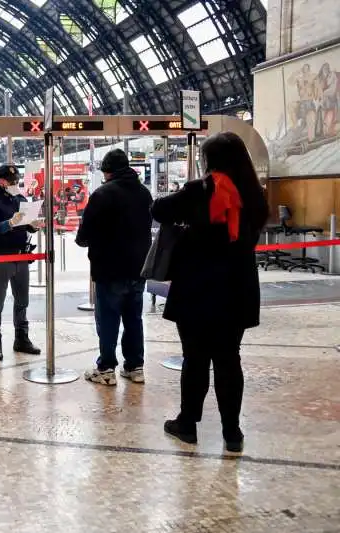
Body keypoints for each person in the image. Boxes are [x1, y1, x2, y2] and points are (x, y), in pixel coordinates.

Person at [152, 132, 268, 453]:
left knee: (196, 357)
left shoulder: (199, 191)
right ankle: (232, 432)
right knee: (230, 358)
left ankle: (187, 424)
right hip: (237, 288)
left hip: (197, 289)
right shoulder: (255, 197)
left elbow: (158, 209)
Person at [75, 149, 152, 386]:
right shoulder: (144, 193)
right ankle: (135, 367)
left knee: (108, 320)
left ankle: (106, 369)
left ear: (107, 171)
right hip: (139, 268)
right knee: (133, 319)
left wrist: (84, 240)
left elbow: (84, 234)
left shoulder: (102, 194)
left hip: (109, 269)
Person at [0, 165, 42, 361]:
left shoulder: (21, 200)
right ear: (2, 181)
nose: (15, 185)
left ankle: (21, 338)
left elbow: (25, 225)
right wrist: (9, 223)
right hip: (1, 257)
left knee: (22, 300)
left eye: (17, 181)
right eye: (11, 182)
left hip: (21, 256)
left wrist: (33, 225)